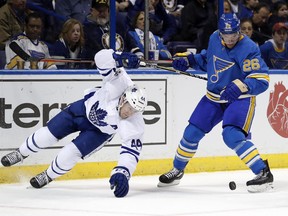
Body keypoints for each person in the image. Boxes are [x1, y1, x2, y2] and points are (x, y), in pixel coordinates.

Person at [1, 48, 147, 198]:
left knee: (69, 154)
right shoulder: (120, 81)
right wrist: (118, 57)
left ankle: (48, 175)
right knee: (47, 135)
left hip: (99, 133)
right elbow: (100, 59)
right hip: (81, 111)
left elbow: (131, 151)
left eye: (135, 110)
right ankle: (21, 153)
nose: (130, 113)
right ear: (124, 98)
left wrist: (123, 172)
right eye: (130, 108)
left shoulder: (134, 121)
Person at [158, 13, 273, 193]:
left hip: (239, 99)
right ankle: (177, 170)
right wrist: (188, 60)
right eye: (226, 35)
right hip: (213, 97)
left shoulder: (249, 48)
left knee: (232, 135)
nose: (230, 39)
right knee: (191, 133)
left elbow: (262, 79)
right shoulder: (214, 38)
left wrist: (242, 86)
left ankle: (263, 172)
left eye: (233, 35)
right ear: (220, 33)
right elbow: (208, 61)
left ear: (239, 31)